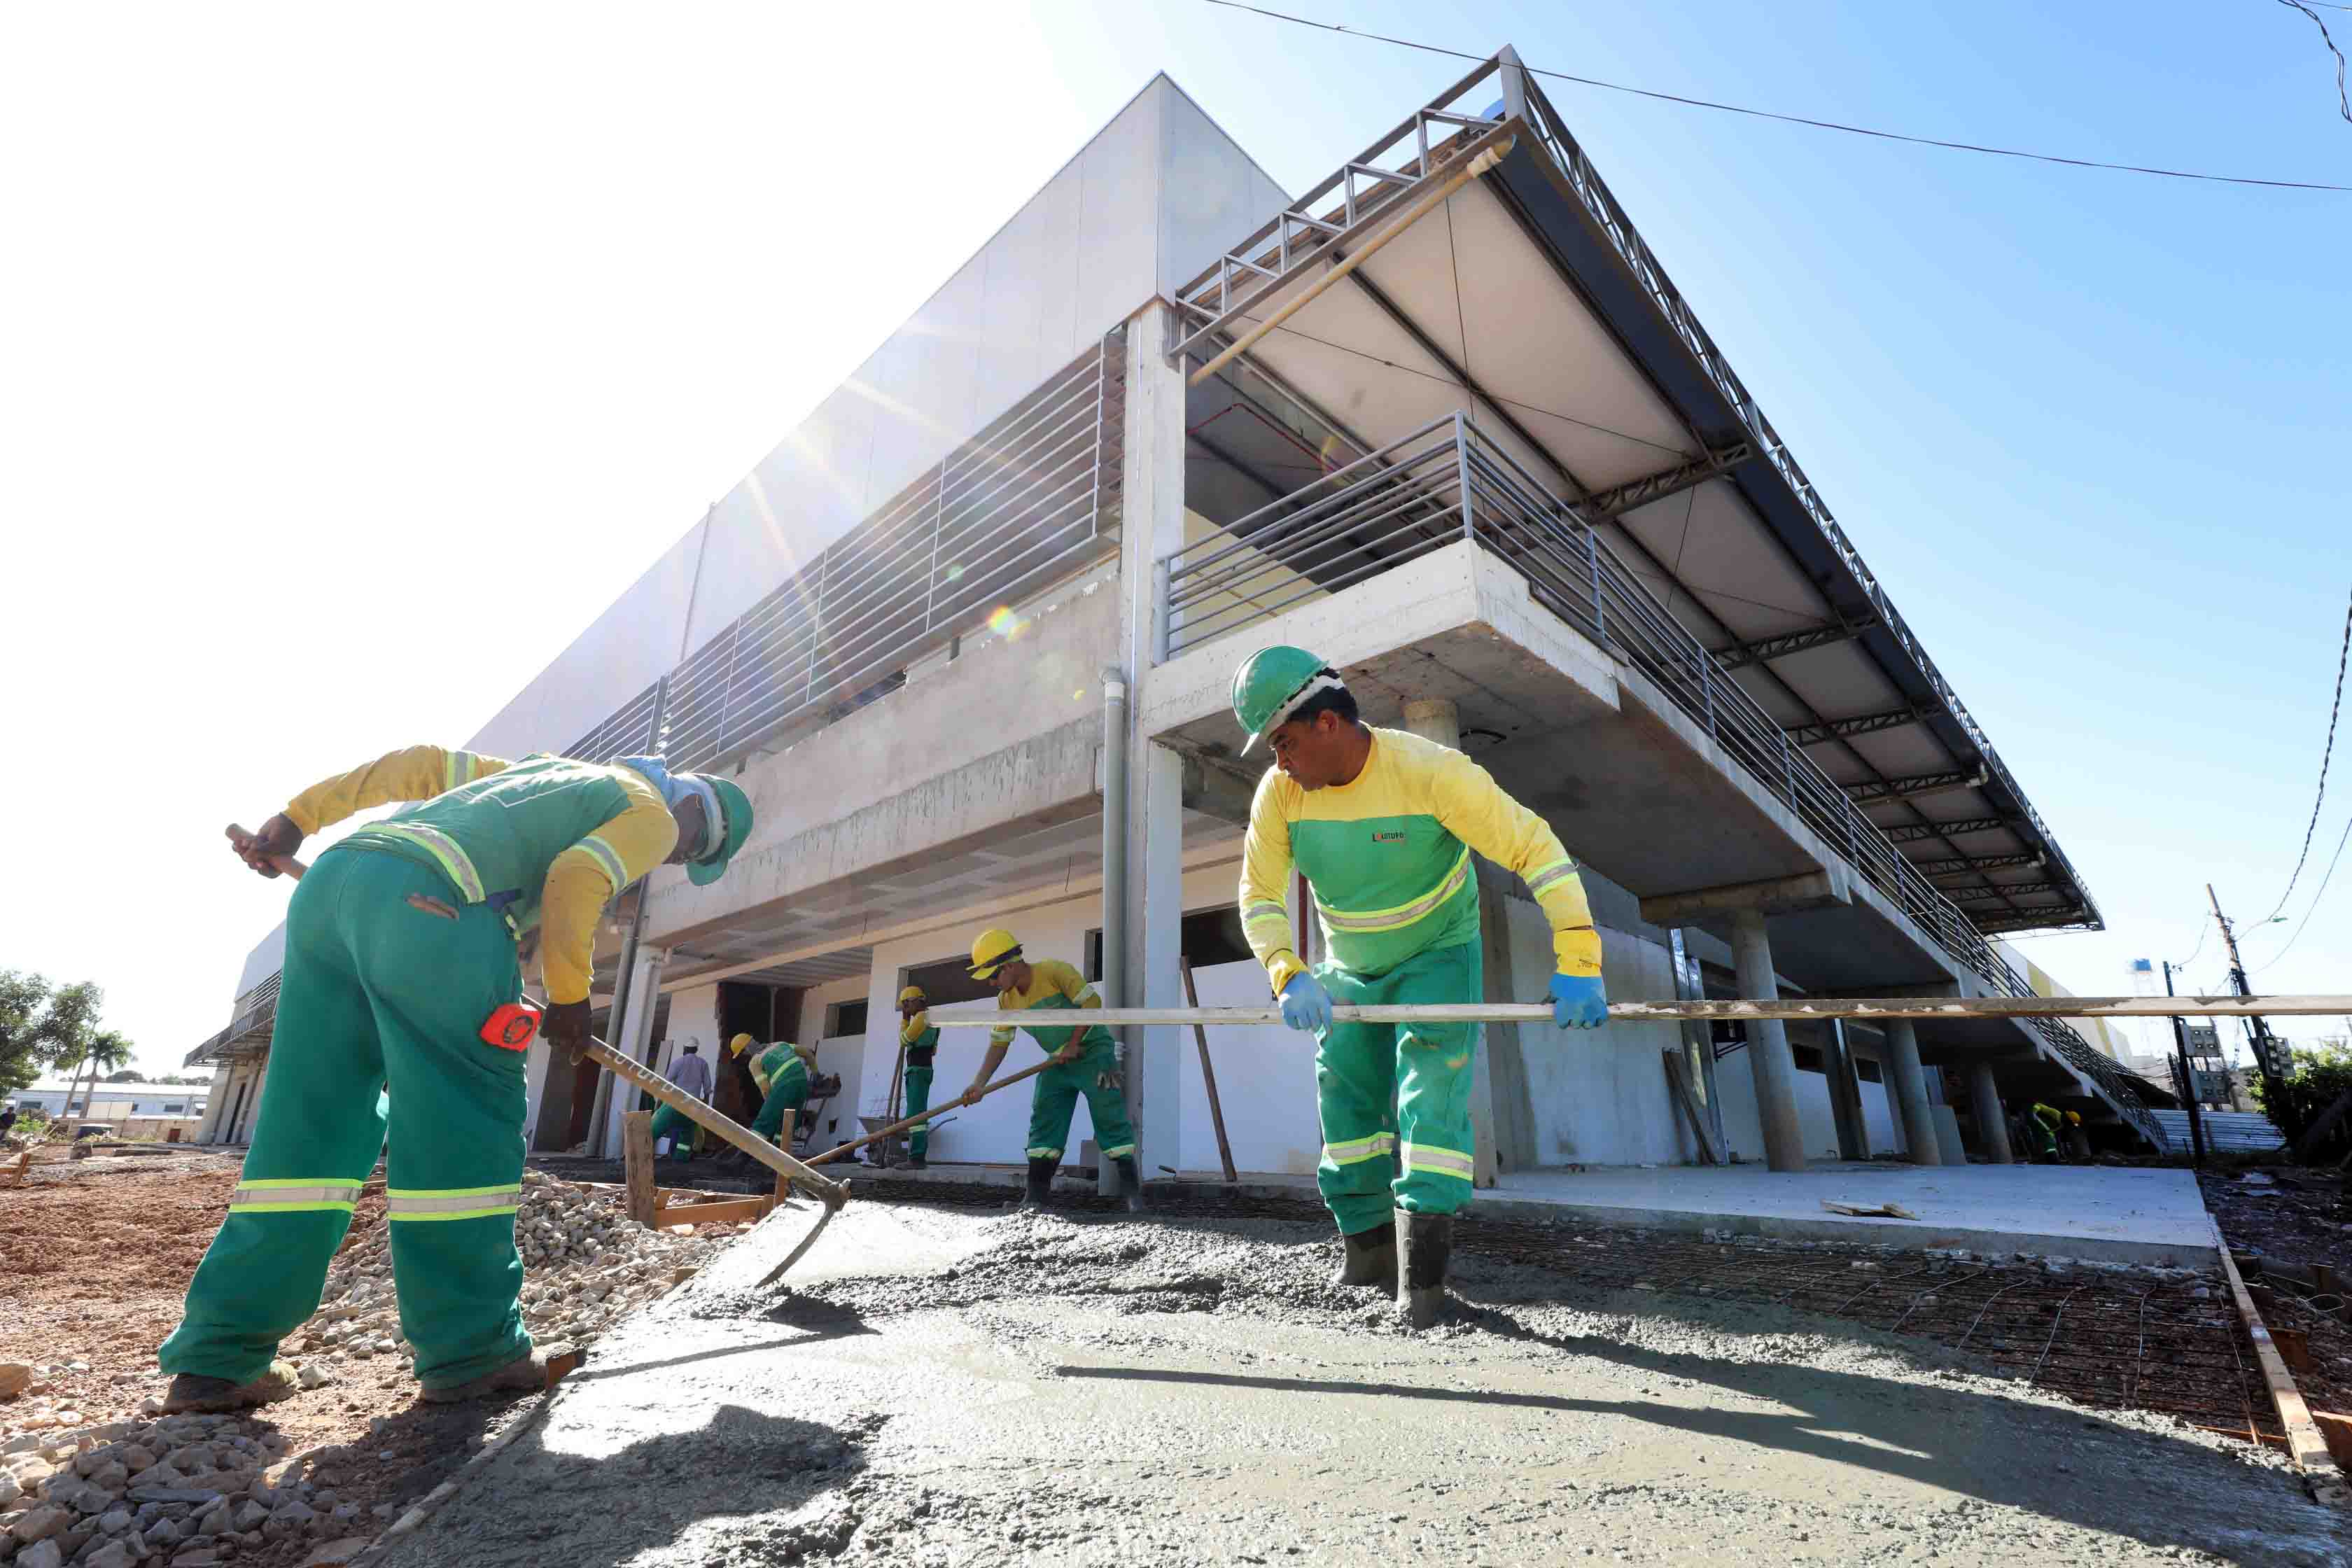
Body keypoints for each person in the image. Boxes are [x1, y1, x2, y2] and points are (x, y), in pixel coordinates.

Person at [160, 745, 752, 1411]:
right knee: (462, 1122)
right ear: (694, 810)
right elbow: (579, 874)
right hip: (434, 906)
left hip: (331, 888)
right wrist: (569, 995)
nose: (672, 856)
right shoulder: (654, 814)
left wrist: (299, 818)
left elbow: (417, 764)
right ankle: (472, 1353)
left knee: (311, 1121)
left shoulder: (535, 773)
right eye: (691, 848)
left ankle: (219, 1357)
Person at [1231, 647, 1606, 1328]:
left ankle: (1424, 1284)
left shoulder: (1428, 770)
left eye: (1283, 742)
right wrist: (1288, 972)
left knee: (1430, 1102)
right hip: (1349, 964)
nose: (1279, 762)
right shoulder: (1279, 796)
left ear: (1326, 723)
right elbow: (1259, 895)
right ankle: (1366, 1258)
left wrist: (1579, 959)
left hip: (1437, 953)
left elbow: (1535, 848)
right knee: (1345, 1103)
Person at [960, 930, 1142, 1213]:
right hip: (1058, 1061)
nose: (992, 984)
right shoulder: (1006, 1001)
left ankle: (1134, 1198)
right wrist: (979, 1084)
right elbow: (999, 1043)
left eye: (993, 976)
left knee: (1110, 1115)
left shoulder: (1055, 972)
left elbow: (1092, 1004)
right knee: (1045, 1117)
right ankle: (1035, 1199)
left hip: (1097, 1054)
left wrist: (1074, 1043)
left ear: (1009, 965)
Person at [741, 1034, 818, 1149]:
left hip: (784, 1085)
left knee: (763, 1123)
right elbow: (807, 1053)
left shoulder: (755, 1061)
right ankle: (780, 1153)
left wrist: (771, 1105)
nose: (745, 1056)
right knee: (787, 1124)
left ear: (746, 1049)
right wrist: (816, 1074)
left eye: (743, 1053)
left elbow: (765, 1089)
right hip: (802, 1083)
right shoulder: (781, 1044)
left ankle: (747, 1153)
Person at [895, 986, 939, 1169]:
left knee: (917, 1117)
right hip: (922, 1069)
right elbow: (933, 1050)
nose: (906, 1010)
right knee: (914, 1114)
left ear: (915, 1002)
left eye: (906, 1005)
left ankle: (917, 1158)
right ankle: (914, 1156)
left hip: (918, 1071)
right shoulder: (931, 1018)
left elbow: (904, 1040)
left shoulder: (922, 1017)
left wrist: (905, 1021)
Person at [649, 1042, 714, 1163]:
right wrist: (703, 1109)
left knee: (652, 1132)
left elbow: (665, 1084)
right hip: (693, 1108)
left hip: (675, 1104)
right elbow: (707, 1089)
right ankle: (680, 1161)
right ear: (696, 1049)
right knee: (685, 1139)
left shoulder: (678, 1062)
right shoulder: (703, 1064)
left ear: (684, 1049)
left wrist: (659, 1102)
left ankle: (643, 1158)